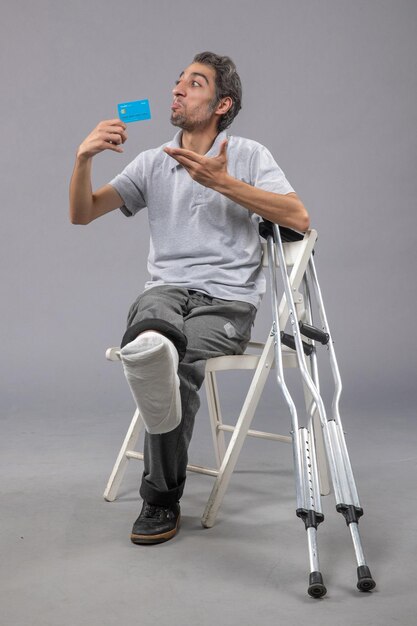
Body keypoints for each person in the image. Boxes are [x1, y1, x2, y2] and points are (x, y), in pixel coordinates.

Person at [69, 51, 309, 545]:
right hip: (164, 296)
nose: (177, 89)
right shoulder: (153, 162)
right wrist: (83, 158)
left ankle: (159, 501)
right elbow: (83, 213)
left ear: (223, 103)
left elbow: (299, 219)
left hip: (226, 304)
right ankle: (152, 345)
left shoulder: (249, 156)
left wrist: (223, 182)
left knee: (167, 360)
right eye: (177, 81)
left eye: (193, 83)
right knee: (156, 333)